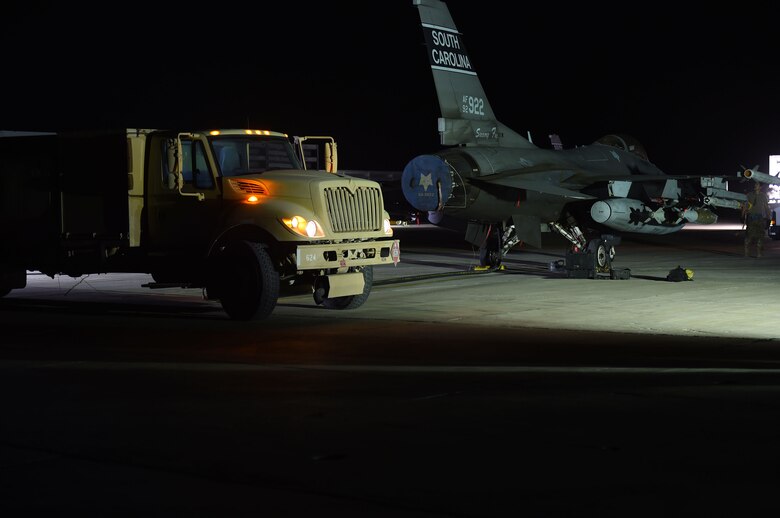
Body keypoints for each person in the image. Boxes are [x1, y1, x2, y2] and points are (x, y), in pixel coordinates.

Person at [742, 181, 771, 257]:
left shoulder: (763, 196)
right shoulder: (749, 195)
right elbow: (745, 206)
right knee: (749, 235)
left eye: (757, 185)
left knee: (760, 236)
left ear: (760, 187)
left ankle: (759, 253)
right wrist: (742, 216)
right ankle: (746, 253)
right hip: (751, 217)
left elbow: (766, 207)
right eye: (755, 185)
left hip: (759, 218)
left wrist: (769, 217)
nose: (755, 186)